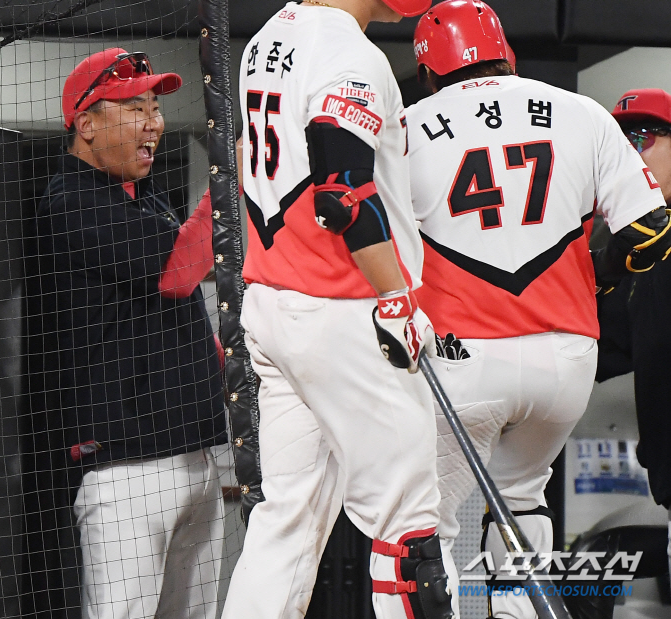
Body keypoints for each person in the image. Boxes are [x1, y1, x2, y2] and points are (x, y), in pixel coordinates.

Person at [405, 3, 671, 618]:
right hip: (565, 360)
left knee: (430, 520)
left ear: (427, 73)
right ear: (509, 55)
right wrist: (592, 278)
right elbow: (652, 233)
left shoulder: (408, 124)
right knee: (522, 498)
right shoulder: (581, 113)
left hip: (460, 356)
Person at [221, 2, 457, 619]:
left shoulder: (270, 33)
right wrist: (395, 296)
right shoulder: (348, 50)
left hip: (273, 303)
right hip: (345, 310)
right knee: (409, 533)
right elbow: (341, 193)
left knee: (285, 523)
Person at [31, 48, 227, 619]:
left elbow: (187, 307)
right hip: (124, 469)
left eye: (155, 106)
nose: (154, 122)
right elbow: (180, 269)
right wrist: (241, 168)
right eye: (133, 106)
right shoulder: (70, 201)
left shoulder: (147, 198)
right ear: (86, 125)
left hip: (194, 454)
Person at [597, 87, 671, 580]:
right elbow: (602, 347)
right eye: (620, 143)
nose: (630, 154)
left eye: (642, 138)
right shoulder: (640, 252)